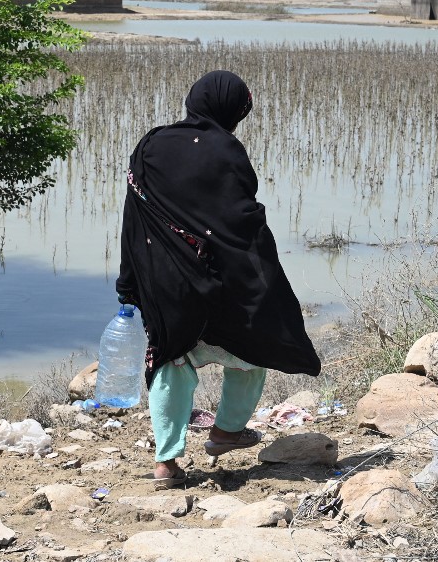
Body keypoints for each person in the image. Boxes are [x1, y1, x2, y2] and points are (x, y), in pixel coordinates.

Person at [116, 70, 321, 489]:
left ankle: (167, 465)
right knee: (252, 345)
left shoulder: (151, 144)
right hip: (218, 276)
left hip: (164, 277)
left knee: (172, 359)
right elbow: (240, 218)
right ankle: (226, 431)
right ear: (233, 110)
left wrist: (129, 280)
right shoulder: (226, 150)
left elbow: (134, 216)